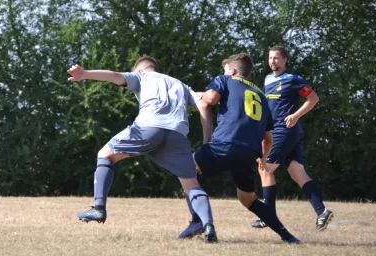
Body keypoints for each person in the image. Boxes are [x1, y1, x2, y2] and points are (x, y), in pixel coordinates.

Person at [67, 56, 218, 242]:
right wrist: (206, 142)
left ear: (139, 70)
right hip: (177, 133)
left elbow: (114, 76)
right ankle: (207, 224)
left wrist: (85, 74)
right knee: (191, 184)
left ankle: (99, 208)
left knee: (105, 155)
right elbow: (204, 104)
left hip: (149, 127)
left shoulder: (142, 77)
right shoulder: (180, 85)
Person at [178, 53, 300, 244]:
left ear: (232, 71)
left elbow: (210, 99)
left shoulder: (225, 80)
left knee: (186, 169)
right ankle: (289, 237)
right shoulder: (261, 95)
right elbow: (268, 138)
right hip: (250, 152)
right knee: (248, 199)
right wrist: (263, 159)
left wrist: (198, 95)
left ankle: (198, 222)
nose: (223, 73)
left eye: (225, 70)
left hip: (224, 144)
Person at [250, 45, 333, 231]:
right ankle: (322, 211)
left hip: (285, 130)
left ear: (285, 59)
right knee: (297, 172)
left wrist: (296, 115)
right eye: (270, 58)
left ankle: (268, 217)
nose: (273, 62)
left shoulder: (293, 79)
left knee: (265, 169)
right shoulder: (268, 78)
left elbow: (313, 98)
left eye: (276, 58)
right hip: (279, 131)